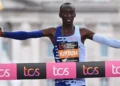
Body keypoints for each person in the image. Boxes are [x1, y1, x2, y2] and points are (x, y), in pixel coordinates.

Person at [0, 2, 120, 86]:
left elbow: (108, 41)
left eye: (70, 13)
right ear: (60, 15)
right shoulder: (52, 32)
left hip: (79, 81)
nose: (68, 16)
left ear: (74, 15)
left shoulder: (83, 32)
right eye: (65, 13)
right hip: (60, 80)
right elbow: (26, 34)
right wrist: (4, 34)